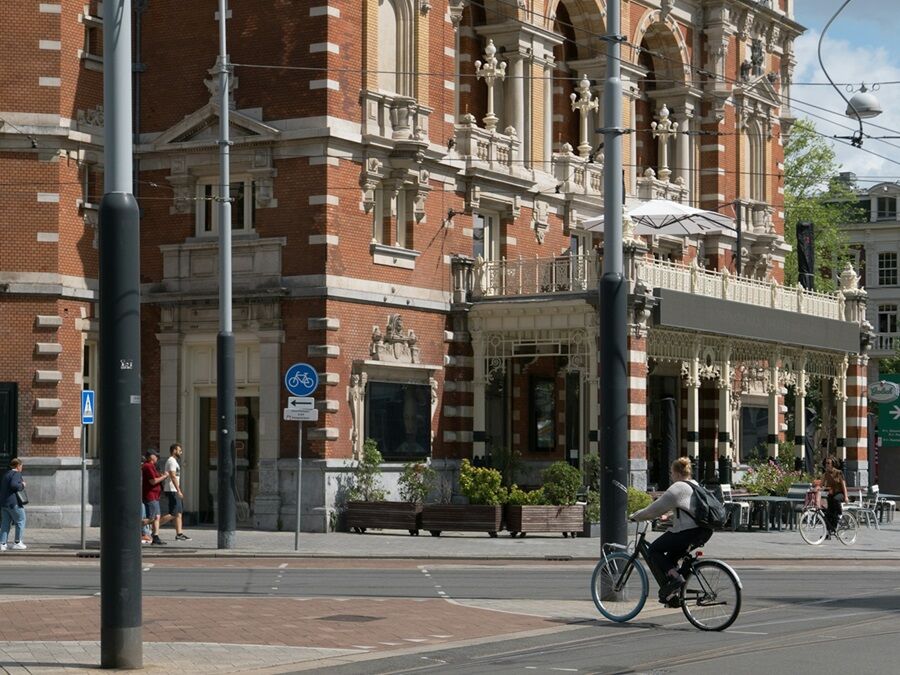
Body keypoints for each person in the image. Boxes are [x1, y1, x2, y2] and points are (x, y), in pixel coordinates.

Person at [630, 457, 713, 604]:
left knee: (654, 550)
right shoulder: (694, 484)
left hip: (687, 532)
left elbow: (654, 509)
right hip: (703, 531)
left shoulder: (678, 487)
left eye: (671, 473)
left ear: (677, 473)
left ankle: (676, 580)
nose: (671, 476)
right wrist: (668, 516)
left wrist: (636, 516)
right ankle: (675, 595)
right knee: (670, 560)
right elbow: (689, 509)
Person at [159, 443, 191, 541]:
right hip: (172, 490)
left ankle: (179, 534)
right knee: (173, 513)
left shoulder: (174, 461)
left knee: (179, 513)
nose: (181, 452)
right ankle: (153, 526)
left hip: (174, 490)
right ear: (174, 451)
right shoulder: (171, 461)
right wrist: (178, 490)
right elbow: (172, 476)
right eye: (179, 450)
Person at [141, 449, 167, 545]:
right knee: (151, 518)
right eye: (156, 456)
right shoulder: (148, 466)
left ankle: (155, 537)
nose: (157, 458)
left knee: (157, 516)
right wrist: (164, 476)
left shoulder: (152, 466)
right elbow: (153, 481)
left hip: (155, 495)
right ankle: (135, 528)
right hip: (150, 495)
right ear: (151, 456)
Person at [0, 458, 27, 551]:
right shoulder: (16, 474)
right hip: (14, 503)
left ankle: (2, 543)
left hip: (4, 503)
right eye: (21, 466)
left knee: (5, 524)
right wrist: (22, 485)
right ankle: (17, 542)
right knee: (21, 520)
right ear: (18, 466)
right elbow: (14, 485)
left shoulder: (6, 474)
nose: (22, 468)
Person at [821, 455, 848, 539]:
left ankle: (840, 514)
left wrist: (846, 497)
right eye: (826, 463)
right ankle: (828, 533)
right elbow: (822, 484)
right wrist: (817, 488)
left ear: (832, 464)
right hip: (831, 495)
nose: (827, 464)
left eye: (829, 463)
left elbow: (843, 486)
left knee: (836, 500)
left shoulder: (838, 473)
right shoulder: (825, 474)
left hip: (840, 494)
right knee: (828, 514)